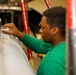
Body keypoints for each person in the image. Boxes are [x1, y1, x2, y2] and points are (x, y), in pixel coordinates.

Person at [2, 6, 66, 75]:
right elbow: (40, 45)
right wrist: (19, 34)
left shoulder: (51, 63)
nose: (40, 30)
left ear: (54, 30)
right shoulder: (66, 46)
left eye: (42, 27)